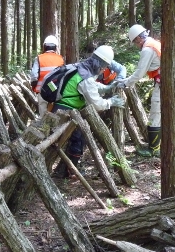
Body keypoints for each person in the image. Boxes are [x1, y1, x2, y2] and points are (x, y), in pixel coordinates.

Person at [52, 45, 125, 178]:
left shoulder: (82, 68)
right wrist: (111, 102)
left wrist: (107, 88)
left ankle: (66, 169)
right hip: (66, 111)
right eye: (104, 67)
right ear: (100, 64)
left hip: (63, 108)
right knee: (78, 140)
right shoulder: (85, 76)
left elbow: (91, 84)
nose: (104, 70)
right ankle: (69, 172)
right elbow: (97, 103)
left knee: (72, 139)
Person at [118, 24, 161, 157]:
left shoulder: (147, 50)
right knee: (160, 115)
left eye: (135, 42)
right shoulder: (154, 43)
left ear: (138, 39)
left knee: (155, 114)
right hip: (164, 82)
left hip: (163, 85)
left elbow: (139, 73)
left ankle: (153, 149)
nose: (136, 45)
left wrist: (125, 83)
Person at [30, 35, 65, 116]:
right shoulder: (60, 59)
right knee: (54, 115)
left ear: (44, 46)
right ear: (55, 47)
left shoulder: (39, 58)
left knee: (43, 115)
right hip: (55, 91)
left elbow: (34, 76)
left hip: (42, 90)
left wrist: (34, 87)